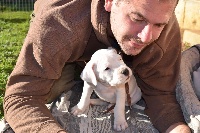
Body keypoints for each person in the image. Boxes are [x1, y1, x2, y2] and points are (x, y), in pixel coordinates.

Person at [3, 0, 191, 132]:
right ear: (109, 1)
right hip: (67, 42)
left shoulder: (163, 29)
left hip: (111, 59)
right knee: (53, 90)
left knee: (140, 81)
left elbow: (160, 94)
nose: (146, 37)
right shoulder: (58, 24)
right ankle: (76, 69)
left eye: (158, 24)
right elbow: (21, 97)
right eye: (136, 18)